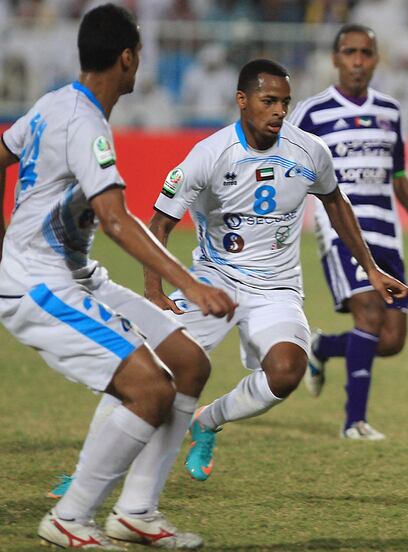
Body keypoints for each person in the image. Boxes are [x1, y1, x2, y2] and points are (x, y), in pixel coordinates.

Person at [48, 57, 408, 487]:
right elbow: (161, 220)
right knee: (148, 368)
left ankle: (209, 421)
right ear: (242, 101)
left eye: (285, 103)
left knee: (287, 371)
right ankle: (85, 474)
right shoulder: (210, 154)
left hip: (277, 287)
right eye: (268, 101)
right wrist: (153, 290)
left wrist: (369, 268)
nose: (279, 111)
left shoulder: (310, 150)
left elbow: (336, 203)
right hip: (214, 280)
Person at [0, 4, 236, 549]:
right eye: (140, 55)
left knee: (188, 363)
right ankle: (69, 516)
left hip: (75, 274)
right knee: (150, 388)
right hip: (41, 285)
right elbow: (114, 219)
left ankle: (135, 512)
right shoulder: (84, 123)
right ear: (127, 59)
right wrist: (190, 282)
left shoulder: (55, 102)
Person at [287, 24, 408, 440]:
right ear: (335, 58)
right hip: (342, 233)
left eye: (365, 53)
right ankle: (355, 422)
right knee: (368, 313)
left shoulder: (391, 111)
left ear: (376, 58)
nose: (357, 61)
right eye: (349, 52)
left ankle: (324, 347)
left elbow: (398, 172)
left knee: (391, 339)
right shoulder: (312, 113)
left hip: (387, 234)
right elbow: (284, 165)